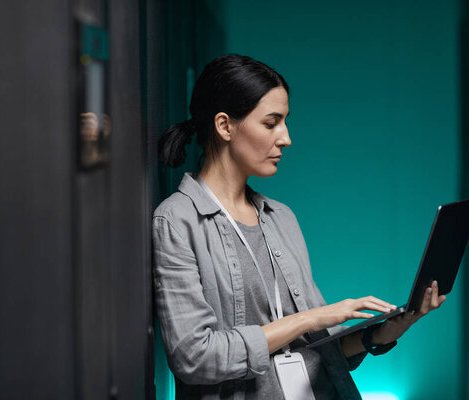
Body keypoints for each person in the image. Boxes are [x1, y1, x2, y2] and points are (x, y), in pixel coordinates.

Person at [152, 54, 446, 400]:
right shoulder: (177, 220)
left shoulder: (280, 217)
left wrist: (381, 333)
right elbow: (195, 357)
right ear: (225, 126)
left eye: (285, 122)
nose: (286, 138)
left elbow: (320, 354)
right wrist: (308, 319)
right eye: (271, 123)